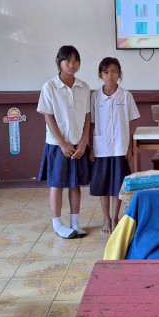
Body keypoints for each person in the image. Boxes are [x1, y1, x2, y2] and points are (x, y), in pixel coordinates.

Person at [38, 45, 91, 239]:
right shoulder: (49, 87)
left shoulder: (84, 87)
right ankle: (57, 224)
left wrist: (84, 142)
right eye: (67, 60)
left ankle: (75, 222)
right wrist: (62, 143)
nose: (72, 64)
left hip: (78, 143)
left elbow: (88, 116)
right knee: (57, 184)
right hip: (57, 145)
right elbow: (48, 117)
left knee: (75, 185)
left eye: (76, 60)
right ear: (58, 62)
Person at [89, 57, 140, 235]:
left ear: (120, 74)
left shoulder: (126, 95)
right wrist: (91, 147)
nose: (110, 76)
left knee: (118, 183)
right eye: (106, 72)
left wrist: (130, 146)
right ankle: (106, 218)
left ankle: (115, 216)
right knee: (103, 184)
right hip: (101, 147)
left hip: (120, 146)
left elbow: (130, 123)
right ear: (100, 75)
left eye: (114, 71)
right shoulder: (95, 96)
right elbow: (91, 123)